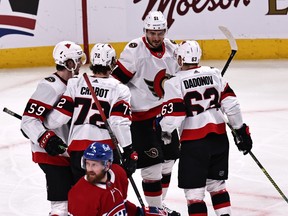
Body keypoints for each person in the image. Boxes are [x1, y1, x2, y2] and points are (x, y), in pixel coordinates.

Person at [159, 40, 253, 216]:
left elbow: (175, 115)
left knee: (195, 195)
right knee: (218, 187)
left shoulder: (175, 82)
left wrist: (164, 133)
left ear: (180, 59)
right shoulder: (214, 73)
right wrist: (240, 130)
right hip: (219, 140)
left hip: (194, 144)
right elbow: (231, 105)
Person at [111, 11, 181, 215]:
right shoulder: (135, 50)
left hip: (164, 115)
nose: (156, 37)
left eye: (160, 33)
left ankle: (160, 205)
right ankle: (155, 209)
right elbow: (116, 82)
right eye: (152, 33)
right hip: (140, 118)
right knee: (152, 167)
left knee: (169, 159)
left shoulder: (172, 49)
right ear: (145, 31)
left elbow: (179, 77)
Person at [44, 43, 138, 184]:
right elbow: (119, 122)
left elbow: (57, 119)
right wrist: (129, 150)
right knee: (107, 196)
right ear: (113, 63)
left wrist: (42, 124)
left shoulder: (76, 83)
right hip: (104, 150)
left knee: (83, 196)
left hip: (77, 151)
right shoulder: (120, 89)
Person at [20, 40, 86, 216]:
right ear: (69, 63)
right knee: (61, 205)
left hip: (65, 151)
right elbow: (28, 121)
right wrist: (45, 138)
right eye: (78, 61)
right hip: (50, 154)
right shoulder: (50, 86)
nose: (80, 65)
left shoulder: (72, 84)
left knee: (75, 200)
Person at [68, 142, 168, 216]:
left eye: (94, 164)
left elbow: (121, 204)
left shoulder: (118, 173)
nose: (89, 169)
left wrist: (141, 212)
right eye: (87, 164)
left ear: (107, 165)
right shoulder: (80, 194)